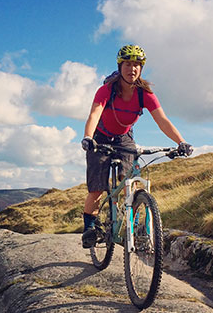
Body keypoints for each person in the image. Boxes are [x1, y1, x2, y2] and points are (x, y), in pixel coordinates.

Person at [80, 45, 193, 248]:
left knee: (128, 180)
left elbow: (162, 120)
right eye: (127, 64)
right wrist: (88, 137)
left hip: (124, 137)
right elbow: (95, 113)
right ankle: (90, 227)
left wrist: (180, 142)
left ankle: (129, 222)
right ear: (120, 66)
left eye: (136, 65)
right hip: (101, 136)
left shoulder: (144, 94)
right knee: (97, 188)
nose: (132, 69)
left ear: (141, 69)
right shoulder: (106, 90)